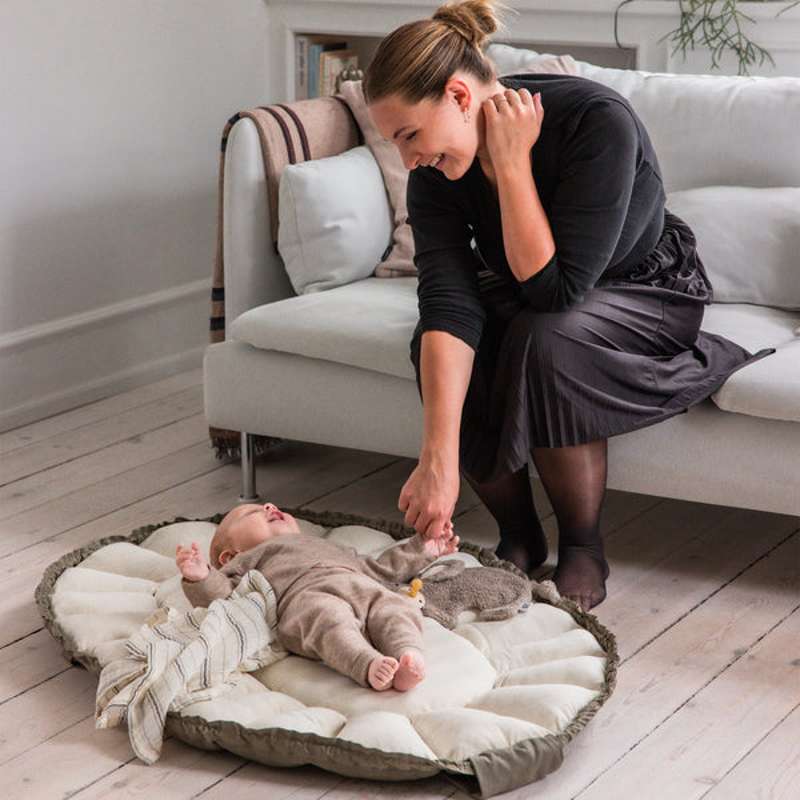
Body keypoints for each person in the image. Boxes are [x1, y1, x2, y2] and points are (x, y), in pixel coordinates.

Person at [363, 0, 776, 612]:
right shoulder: (435, 173)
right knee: (440, 337)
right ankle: (518, 535)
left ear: (458, 96)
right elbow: (447, 297)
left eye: (409, 136)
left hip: (644, 288)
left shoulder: (595, 121)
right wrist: (436, 461)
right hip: (533, 286)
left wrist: (510, 163)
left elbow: (556, 292)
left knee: (545, 336)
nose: (408, 160)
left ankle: (583, 545)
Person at [175, 501, 459, 691]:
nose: (270, 506)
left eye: (269, 506)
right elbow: (225, 598)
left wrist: (424, 548)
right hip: (304, 597)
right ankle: (366, 662)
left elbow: (381, 568)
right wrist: (201, 576)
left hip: (359, 584)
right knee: (327, 619)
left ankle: (407, 653)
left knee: (394, 606)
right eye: (252, 513)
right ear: (231, 555)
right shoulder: (246, 562)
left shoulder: (324, 545)